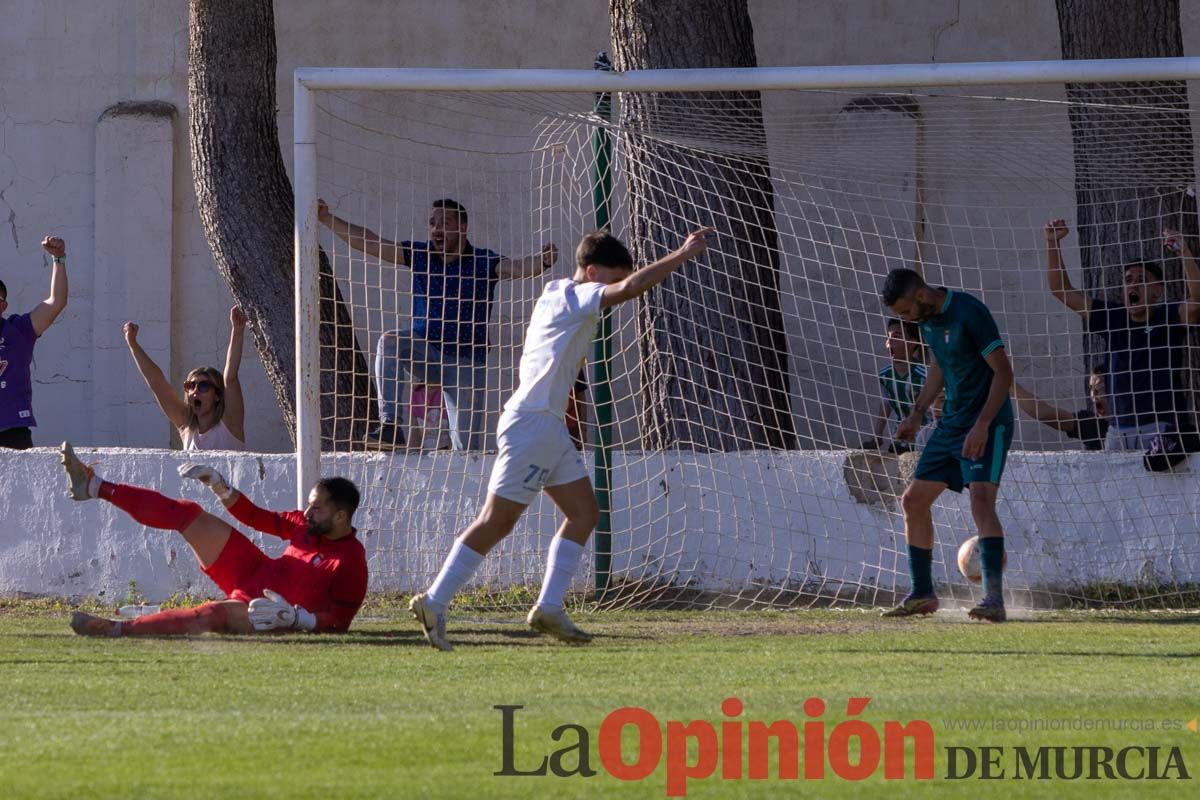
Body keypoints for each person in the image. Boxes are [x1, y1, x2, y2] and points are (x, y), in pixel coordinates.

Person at [408, 226, 711, 651]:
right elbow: (629, 288)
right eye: (608, 277)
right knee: (497, 520)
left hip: (547, 427)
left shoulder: (556, 289)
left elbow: (617, 285)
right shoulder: (576, 296)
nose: (611, 289)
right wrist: (680, 254)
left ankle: (549, 607)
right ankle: (435, 601)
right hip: (532, 424)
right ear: (590, 272)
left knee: (585, 513)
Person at [319, 197, 559, 451]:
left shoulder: (483, 261)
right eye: (433, 223)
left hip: (465, 361)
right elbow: (370, 242)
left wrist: (541, 261)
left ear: (463, 228)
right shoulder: (420, 255)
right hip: (427, 355)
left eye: (446, 223)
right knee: (389, 341)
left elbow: (516, 268)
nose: (437, 229)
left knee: (465, 450)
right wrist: (326, 219)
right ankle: (389, 425)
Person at [61, 442, 367, 637]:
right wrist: (219, 485)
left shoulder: (352, 559)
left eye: (317, 507)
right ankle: (94, 486)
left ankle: (117, 629)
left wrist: (298, 619)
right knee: (188, 515)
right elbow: (253, 516)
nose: (308, 511)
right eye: (309, 505)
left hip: (268, 611)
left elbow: (341, 620)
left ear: (341, 517)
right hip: (254, 572)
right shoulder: (304, 523)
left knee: (211, 614)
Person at [880, 268, 1014, 623]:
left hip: (988, 420)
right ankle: (922, 593)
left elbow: (1004, 373)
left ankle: (993, 599)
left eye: (906, 312)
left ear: (922, 295)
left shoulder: (970, 312)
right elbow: (939, 364)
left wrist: (983, 425)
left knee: (981, 500)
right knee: (913, 500)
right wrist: (916, 413)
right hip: (952, 423)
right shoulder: (927, 322)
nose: (905, 320)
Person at [1045, 219, 1200, 450]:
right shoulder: (1113, 317)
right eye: (1128, 281)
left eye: (1141, 281)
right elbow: (1061, 291)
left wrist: (1184, 251)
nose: (1133, 287)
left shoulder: (1168, 317)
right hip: (1117, 433)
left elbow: (1197, 301)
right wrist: (1052, 243)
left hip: (1160, 430)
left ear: (1158, 291)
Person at [124, 306, 246, 450]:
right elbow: (157, 384)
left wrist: (237, 330)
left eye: (204, 386)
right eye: (190, 386)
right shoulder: (186, 427)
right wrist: (132, 343)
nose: (195, 391)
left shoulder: (230, 425)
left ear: (217, 395)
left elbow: (230, 378)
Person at [0, 235, 69, 449]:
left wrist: (59, 259)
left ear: (4, 305)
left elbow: (56, 302)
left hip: (12, 432)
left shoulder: (17, 330)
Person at [861, 318, 928, 453]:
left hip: (925, 439)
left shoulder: (926, 374)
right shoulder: (885, 375)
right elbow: (886, 403)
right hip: (899, 438)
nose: (889, 342)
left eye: (896, 336)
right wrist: (877, 435)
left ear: (913, 342)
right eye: (887, 337)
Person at [1013, 367, 1108, 451]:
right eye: (1092, 388)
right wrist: (1009, 383)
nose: (1094, 394)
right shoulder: (1091, 423)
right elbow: (1042, 412)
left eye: (1101, 388)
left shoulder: (1119, 425)